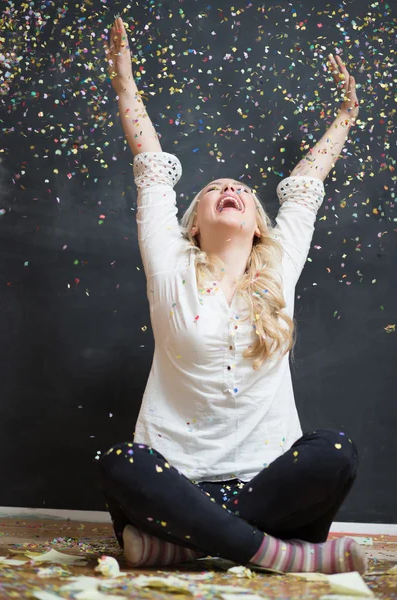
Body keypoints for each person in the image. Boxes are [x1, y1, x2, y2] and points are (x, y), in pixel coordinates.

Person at [100, 16, 365, 574]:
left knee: (334, 451)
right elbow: (151, 171)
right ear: (192, 223)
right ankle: (274, 554)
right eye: (215, 188)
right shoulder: (169, 266)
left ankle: (188, 546)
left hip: (267, 490)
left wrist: (346, 118)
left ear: (260, 227)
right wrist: (125, 86)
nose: (229, 189)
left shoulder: (279, 269)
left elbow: (305, 189)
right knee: (123, 462)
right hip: (176, 488)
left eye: (241, 190)